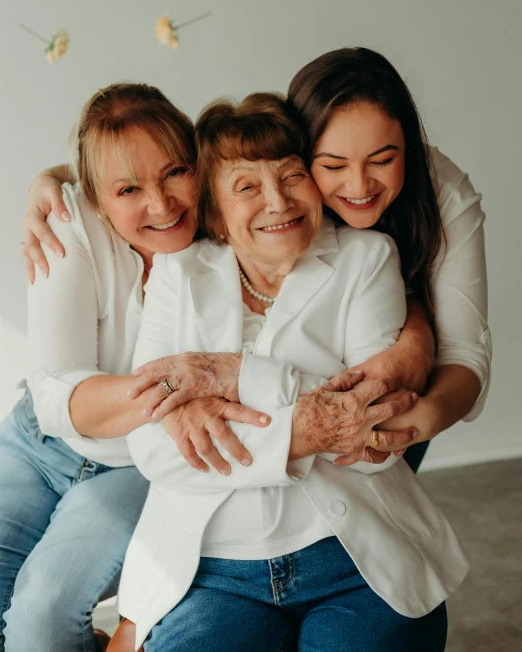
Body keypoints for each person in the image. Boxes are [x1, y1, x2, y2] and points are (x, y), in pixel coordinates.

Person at [117, 93, 468, 652]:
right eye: (247, 186)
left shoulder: (366, 259)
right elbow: (155, 450)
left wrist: (233, 379)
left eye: (292, 175)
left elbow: (372, 440)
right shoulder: (176, 276)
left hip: (353, 556)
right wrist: (301, 430)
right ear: (215, 213)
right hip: (211, 572)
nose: (277, 200)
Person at [0, 83, 272, 652]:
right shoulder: (69, 224)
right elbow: (55, 400)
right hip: (38, 443)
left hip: (139, 467)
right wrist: (185, 380)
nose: (161, 204)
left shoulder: (238, 235)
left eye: (175, 172)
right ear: (99, 199)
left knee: (42, 615)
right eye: (129, 189)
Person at [287, 47, 491, 470]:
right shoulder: (273, 197)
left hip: (401, 409)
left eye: (382, 160)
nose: (360, 185)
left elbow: (465, 352)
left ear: (409, 147)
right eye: (333, 166)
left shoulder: (443, 192)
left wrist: (420, 420)